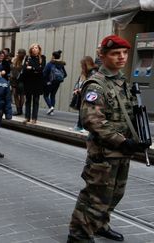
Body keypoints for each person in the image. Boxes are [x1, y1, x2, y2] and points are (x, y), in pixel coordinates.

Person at [67, 35, 151, 243]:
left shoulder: (122, 82)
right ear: (102, 56)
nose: (121, 57)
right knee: (95, 196)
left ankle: (100, 225)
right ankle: (78, 235)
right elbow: (92, 120)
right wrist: (122, 141)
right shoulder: (97, 85)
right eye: (115, 53)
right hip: (105, 152)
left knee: (114, 194)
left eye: (124, 53)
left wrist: (139, 138)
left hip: (122, 151)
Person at [20, 43, 46, 124]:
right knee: (28, 100)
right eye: (33, 48)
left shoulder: (42, 58)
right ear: (31, 50)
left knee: (36, 100)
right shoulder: (28, 57)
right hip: (28, 81)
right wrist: (34, 69)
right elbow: (24, 68)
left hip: (37, 82)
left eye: (36, 48)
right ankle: (27, 117)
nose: (34, 49)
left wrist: (32, 68)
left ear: (39, 49)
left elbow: (41, 69)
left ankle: (34, 118)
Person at [72, 56, 98, 132]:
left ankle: (85, 127)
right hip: (82, 94)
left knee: (86, 110)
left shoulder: (93, 73)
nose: (81, 66)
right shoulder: (85, 72)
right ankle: (79, 125)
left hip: (88, 94)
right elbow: (79, 81)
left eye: (82, 65)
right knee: (82, 109)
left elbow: (90, 84)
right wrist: (76, 89)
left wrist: (81, 90)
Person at [43, 50, 67, 116]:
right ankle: (52, 111)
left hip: (49, 82)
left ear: (53, 56)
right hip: (57, 82)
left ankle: (51, 107)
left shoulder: (50, 64)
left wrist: (47, 81)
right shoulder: (61, 65)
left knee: (45, 95)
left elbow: (44, 74)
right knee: (53, 95)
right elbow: (65, 74)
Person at [10, 49, 26, 115]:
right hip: (23, 80)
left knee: (16, 95)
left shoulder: (15, 60)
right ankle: (21, 109)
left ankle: (18, 109)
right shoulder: (25, 61)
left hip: (15, 80)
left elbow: (12, 69)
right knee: (22, 95)